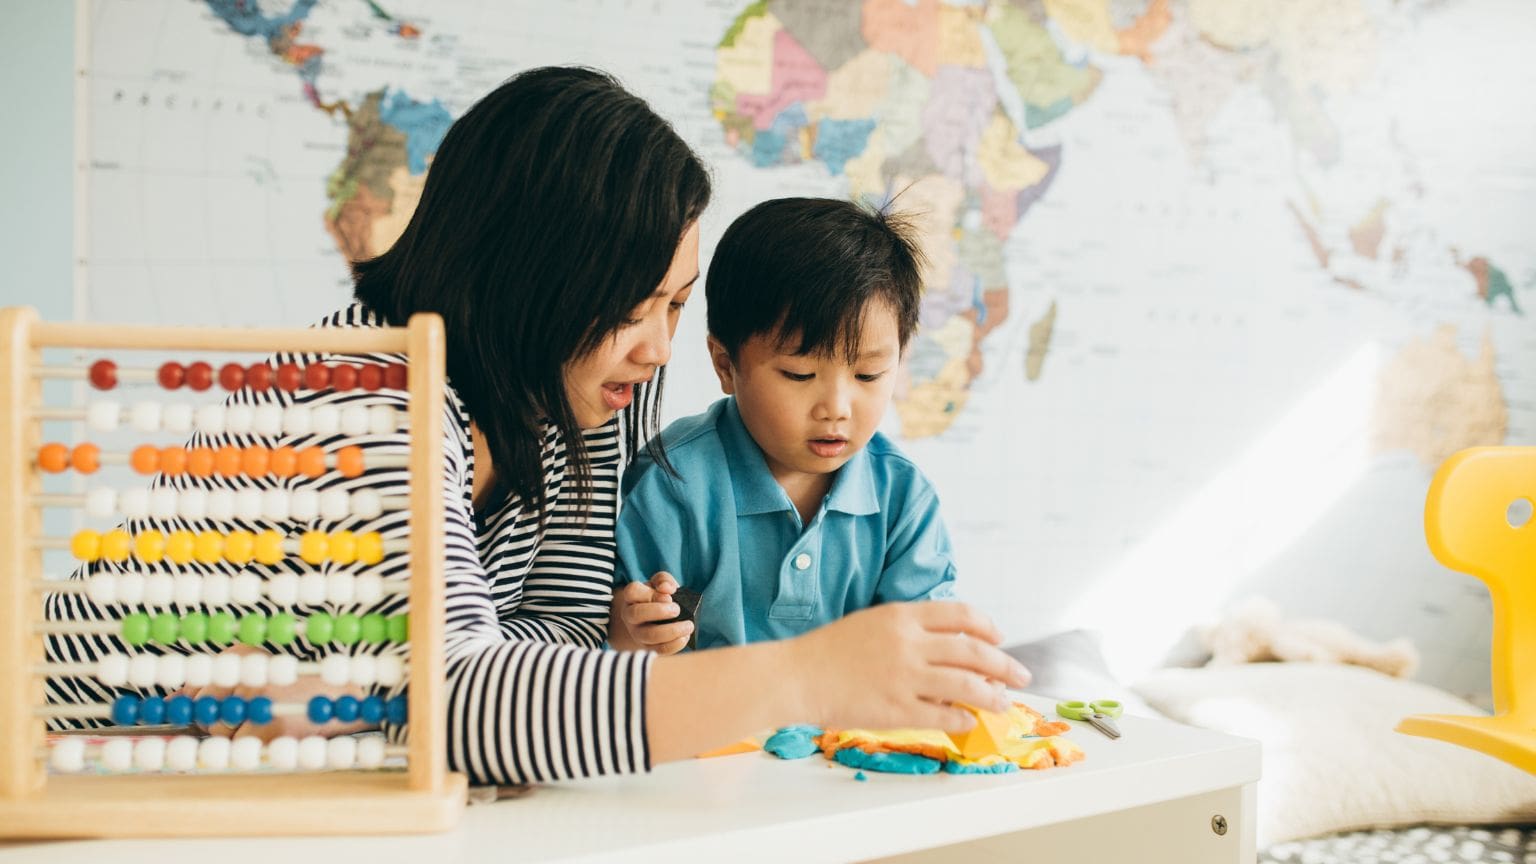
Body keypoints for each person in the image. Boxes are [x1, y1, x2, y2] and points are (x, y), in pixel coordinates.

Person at [44, 67, 1029, 786]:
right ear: (531, 280)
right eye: (634, 306)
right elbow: (471, 703)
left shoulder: (569, 393)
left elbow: (558, 633)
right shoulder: (371, 402)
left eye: (677, 307)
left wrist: (475, 689)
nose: (657, 352)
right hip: (81, 759)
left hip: (270, 781)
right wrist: (805, 674)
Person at [609, 198, 957, 655]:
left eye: (868, 375)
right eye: (799, 375)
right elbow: (608, 633)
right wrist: (631, 627)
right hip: (711, 722)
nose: (836, 408)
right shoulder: (673, 483)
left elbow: (925, 644)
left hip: (850, 725)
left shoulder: (902, 498)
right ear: (725, 365)